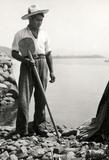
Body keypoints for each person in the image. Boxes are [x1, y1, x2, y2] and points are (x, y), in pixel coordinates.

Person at [10, 5, 55, 137]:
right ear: (30, 19)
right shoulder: (20, 34)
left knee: (41, 97)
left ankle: (39, 126)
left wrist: (52, 71)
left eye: (41, 20)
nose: (39, 23)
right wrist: (25, 61)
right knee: (24, 98)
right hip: (27, 64)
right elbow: (14, 52)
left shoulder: (44, 34)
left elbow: (48, 53)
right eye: (37, 20)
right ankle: (22, 130)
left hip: (42, 64)